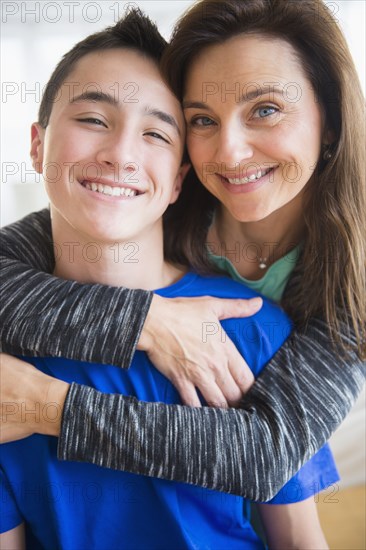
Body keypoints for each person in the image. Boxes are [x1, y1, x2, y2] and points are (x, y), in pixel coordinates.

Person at [0, 10, 337, 550]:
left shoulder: (252, 328)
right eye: (92, 120)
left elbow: (294, 525)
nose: (121, 154)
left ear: (179, 180)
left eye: (157, 133)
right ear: (36, 145)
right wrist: (146, 321)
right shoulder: (5, 357)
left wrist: (48, 407)